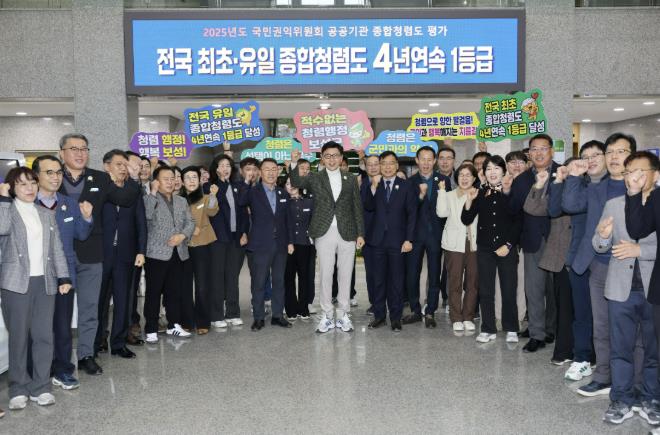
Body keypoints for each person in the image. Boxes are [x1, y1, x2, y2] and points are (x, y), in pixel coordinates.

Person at [57, 133, 141, 376]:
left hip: (92, 253)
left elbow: (125, 198)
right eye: (74, 149)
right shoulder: (52, 177)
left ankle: (87, 354)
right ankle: (58, 360)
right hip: (57, 253)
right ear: (61, 153)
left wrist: (134, 177)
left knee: (90, 309)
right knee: (59, 313)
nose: (80, 153)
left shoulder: (100, 178)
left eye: (84, 148)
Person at [563, 133, 636, 396]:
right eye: (610, 152)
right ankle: (603, 375)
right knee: (601, 325)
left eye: (621, 152)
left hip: (633, 265)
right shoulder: (597, 188)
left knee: (631, 328)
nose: (614, 157)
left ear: (632, 155)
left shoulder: (641, 185)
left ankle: (634, 381)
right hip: (600, 265)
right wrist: (573, 176)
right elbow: (570, 204)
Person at [596, 151, 660, 425]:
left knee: (653, 350)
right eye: (628, 171)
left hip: (653, 289)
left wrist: (640, 250)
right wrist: (603, 236)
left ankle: (651, 398)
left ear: (656, 175)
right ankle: (621, 399)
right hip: (620, 288)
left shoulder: (657, 203)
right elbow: (599, 245)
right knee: (620, 349)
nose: (632, 176)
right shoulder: (614, 204)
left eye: (639, 171)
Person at [0, 168, 72, 410]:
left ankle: (41, 387)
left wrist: (63, 277)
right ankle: (18, 388)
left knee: (43, 336)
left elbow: (56, 248)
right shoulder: (6, 210)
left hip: (45, 282)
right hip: (15, 283)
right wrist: (3, 200)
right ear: (11, 188)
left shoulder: (46, 213)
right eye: (22, 184)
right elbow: (2, 229)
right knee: (19, 338)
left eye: (32, 182)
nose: (29, 188)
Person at [289, 142, 365, 334]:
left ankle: (343, 314)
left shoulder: (350, 179)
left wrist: (360, 233)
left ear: (341, 158)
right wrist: (294, 163)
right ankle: (327, 315)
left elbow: (357, 207)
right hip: (324, 231)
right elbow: (297, 182)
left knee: (346, 273)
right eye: (328, 156)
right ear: (322, 158)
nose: (332, 159)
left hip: (347, 231)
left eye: (335, 155)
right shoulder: (315, 177)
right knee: (325, 273)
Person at [32, 156, 92, 390]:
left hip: (64, 275)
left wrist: (86, 217)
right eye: (49, 172)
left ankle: (63, 370)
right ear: (36, 175)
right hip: (35, 276)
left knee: (62, 326)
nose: (55, 177)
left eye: (58, 172)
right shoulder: (27, 203)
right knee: (36, 327)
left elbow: (81, 234)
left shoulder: (68, 203)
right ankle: (38, 371)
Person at [551, 140, 606, 381]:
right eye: (586, 156)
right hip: (580, 259)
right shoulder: (581, 184)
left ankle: (604, 362)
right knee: (581, 314)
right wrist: (571, 177)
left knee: (605, 316)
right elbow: (567, 206)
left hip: (608, 260)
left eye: (596, 155)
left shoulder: (615, 185)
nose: (590, 160)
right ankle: (582, 358)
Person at [506, 133, 561, 353]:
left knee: (556, 290)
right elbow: (513, 211)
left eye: (543, 148)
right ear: (529, 153)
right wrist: (508, 191)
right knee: (534, 289)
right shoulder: (522, 179)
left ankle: (552, 329)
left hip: (558, 240)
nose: (538, 153)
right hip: (532, 240)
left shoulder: (563, 173)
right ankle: (537, 333)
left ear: (551, 151)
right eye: (534, 149)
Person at [462, 155, 522, 343]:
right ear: (484, 173)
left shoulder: (512, 191)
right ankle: (488, 328)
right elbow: (466, 219)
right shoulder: (480, 193)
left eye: (496, 168)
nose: (492, 172)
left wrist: (509, 245)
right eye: (488, 169)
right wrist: (469, 200)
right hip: (485, 248)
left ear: (503, 171)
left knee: (509, 289)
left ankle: (511, 327)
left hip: (507, 248)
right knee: (486, 290)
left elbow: (518, 221)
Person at [95, 150, 147, 359]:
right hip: (101, 254)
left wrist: (141, 250)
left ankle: (118, 343)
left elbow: (141, 222)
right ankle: (98, 341)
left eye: (125, 165)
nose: (123, 168)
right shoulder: (98, 188)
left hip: (126, 254)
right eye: (118, 164)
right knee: (99, 301)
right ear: (106, 166)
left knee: (123, 300)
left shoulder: (133, 190)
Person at [524, 160, 574, 365]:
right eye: (568, 170)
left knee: (567, 300)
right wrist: (539, 184)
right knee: (543, 292)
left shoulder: (589, 189)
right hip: (556, 248)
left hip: (583, 252)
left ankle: (569, 341)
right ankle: (545, 337)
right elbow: (532, 207)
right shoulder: (557, 189)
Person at [238, 158, 294, 331]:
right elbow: (241, 201)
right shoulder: (252, 192)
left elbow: (288, 220)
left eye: (274, 169)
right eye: (267, 169)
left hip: (281, 245)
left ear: (278, 172)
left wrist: (290, 241)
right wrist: (247, 181)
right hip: (260, 245)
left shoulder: (283, 193)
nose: (271, 172)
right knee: (259, 282)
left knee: (279, 281)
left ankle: (277, 316)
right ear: (260, 172)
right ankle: (258, 318)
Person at [363, 151, 417, 332]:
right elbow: (368, 206)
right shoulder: (372, 184)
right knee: (378, 280)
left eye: (391, 163)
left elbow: (412, 214)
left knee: (396, 281)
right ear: (379, 165)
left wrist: (409, 239)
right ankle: (379, 316)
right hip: (377, 241)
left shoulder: (406, 186)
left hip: (398, 241)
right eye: (383, 163)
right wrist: (373, 186)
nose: (387, 167)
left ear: (396, 165)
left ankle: (395, 317)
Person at [143, 166, 195, 344]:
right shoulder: (149, 199)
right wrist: (152, 192)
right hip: (156, 254)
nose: (170, 182)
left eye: (172, 178)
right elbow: (147, 216)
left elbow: (190, 222)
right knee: (154, 292)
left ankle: (174, 324)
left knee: (174, 291)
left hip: (178, 252)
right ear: (156, 181)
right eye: (166, 179)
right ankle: (151, 328)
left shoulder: (181, 200)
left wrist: (182, 235)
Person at [403, 146, 451, 325]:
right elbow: (407, 210)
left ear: (434, 161)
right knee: (412, 274)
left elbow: (446, 208)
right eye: (422, 159)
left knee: (434, 273)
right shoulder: (410, 182)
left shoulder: (444, 180)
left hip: (436, 234)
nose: (426, 163)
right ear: (417, 161)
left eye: (429, 159)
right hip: (415, 235)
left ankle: (430, 311)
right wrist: (421, 196)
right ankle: (415, 310)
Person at [205, 155, 250, 328]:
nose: (225, 168)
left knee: (232, 276)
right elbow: (212, 210)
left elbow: (244, 212)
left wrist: (244, 232)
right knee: (217, 276)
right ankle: (216, 315)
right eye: (221, 165)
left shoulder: (237, 186)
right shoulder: (210, 187)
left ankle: (233, 313)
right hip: (218, 238)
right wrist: (221, 183)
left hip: (236, 238)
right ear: (215, 169)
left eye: (228, 165)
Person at [436, 163, 478, 331]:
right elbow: (441, 213)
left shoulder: (479, 194)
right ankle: (456, 317)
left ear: (474, 179)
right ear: (456, 178)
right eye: (461, 175)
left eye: (468, 175)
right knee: (455, 282)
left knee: (473, 282)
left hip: (474, 244)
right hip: (454, 244)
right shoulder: (449, 195)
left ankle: (468, 316)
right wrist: (441, 191)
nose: (464, 178)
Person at [181, 166, 219, 335]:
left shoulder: (205, 198)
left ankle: (203, 321)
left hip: (203, 246)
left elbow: (212, 211)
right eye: (188, 177)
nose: (191, 180)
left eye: (194, 177)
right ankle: (187, 321)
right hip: (183, 247)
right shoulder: (177, 200)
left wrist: (213, 195)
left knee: (203, 286)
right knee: (185, 286)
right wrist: (188, 231)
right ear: (182, 182)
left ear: (199, 180)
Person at [284, 175, 314, 320]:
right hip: (287, 245)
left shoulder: (309, 202)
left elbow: (314, 222)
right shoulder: (282, 203)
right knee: (288, 277)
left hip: (304, 244)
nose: (291, 185)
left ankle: (303, 308)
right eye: (288, 183)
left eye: (294, 182)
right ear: (285, 187)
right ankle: (290, 309)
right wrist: (288, 242)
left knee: (304, 277)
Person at [360, 154, 380, 314]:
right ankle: (375, 303)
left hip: (389, 236)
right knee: (371, 273)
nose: (372, 167)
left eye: (376, 164)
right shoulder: (362, 184)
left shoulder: (390, 182)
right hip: (368, 235)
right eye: (369, 165)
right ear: (365, 167)